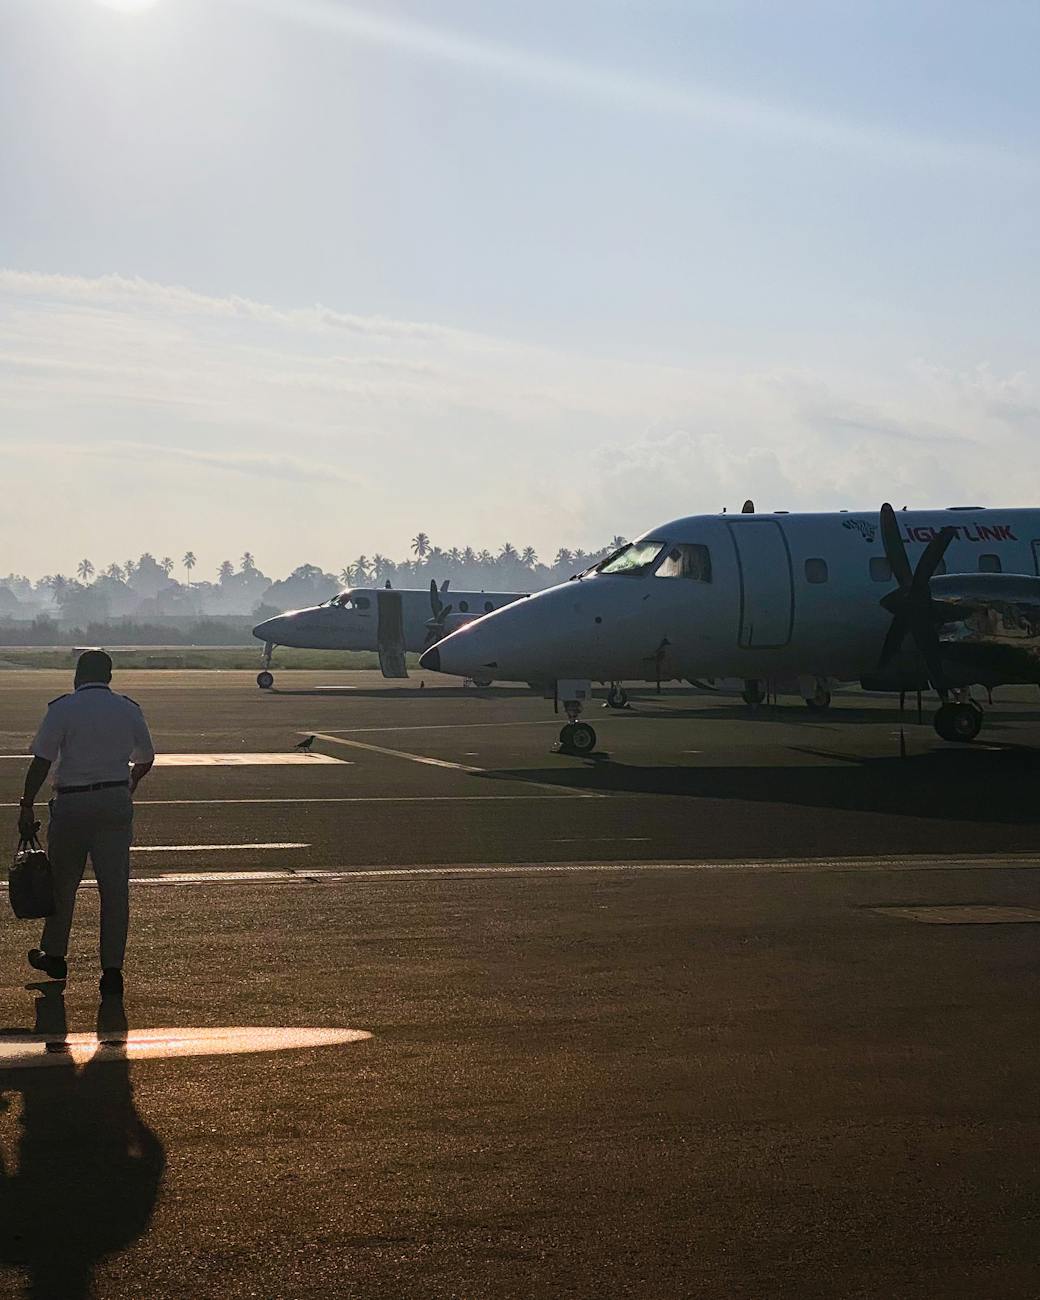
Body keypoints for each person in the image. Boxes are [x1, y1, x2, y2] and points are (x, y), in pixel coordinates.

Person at [17, 651, 155, 997]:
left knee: (63, 883)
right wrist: (129, 785)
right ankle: (111, 969)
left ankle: (55, 954)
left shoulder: (62, 709)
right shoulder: (128, 708)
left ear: (77, 676)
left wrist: (27, 804)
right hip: (113, 801)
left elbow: (42, 761)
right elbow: (146, 757)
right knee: (114, 889)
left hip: (72, 803)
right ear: (109, 676)